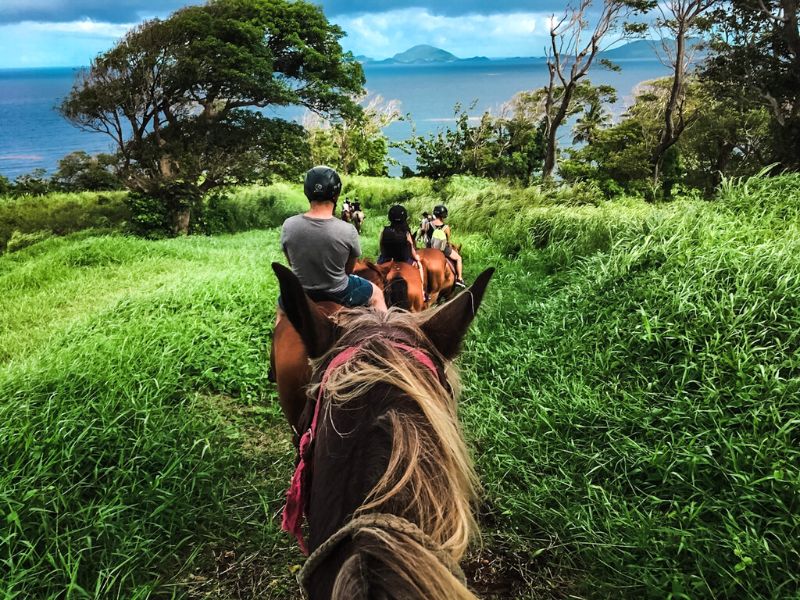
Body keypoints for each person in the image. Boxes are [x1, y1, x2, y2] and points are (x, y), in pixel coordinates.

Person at [278, 166, 386, 321]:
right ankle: (386, 338)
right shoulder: (348, 229)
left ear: (306, 192)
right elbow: (348, 270)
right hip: (339, 291)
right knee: (377, 295)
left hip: (302, 291)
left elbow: (291, 262)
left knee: (281, 309)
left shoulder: (289, 225)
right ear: (336, 195)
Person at [377, 205, 425, 289]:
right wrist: (416, 257)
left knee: (375, 273)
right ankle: (422, 291)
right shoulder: (406, 233)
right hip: (404, 260)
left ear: (390, 217)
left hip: (386, 259)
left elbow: (381, 246)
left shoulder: (384, 230)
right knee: (420, 266)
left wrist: (383, 256)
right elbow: (411, 247)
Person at [429, 204, 465, 288]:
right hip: (442, 249)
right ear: (444, 215)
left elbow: (424, 234)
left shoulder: (428, 224)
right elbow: (447, 241)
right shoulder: (446, 227)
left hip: (429, 248)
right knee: (459, 258)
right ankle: (459, 279)